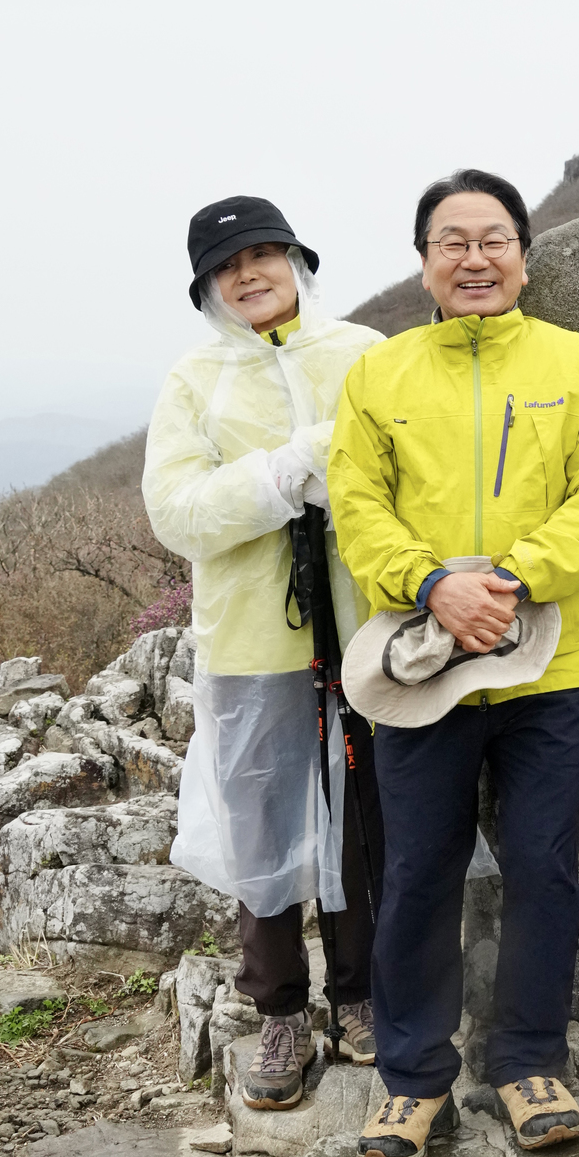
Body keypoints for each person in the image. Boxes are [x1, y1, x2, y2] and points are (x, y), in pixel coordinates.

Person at [329, 168, 579, 1157]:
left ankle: (529, 1060)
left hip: (550, 663)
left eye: (493, 238)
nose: (474, 257)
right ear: (423, 261)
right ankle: (413, 1076)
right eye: (451, 240)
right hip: (422, 667)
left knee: (544, 863)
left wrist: (504, 581)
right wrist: (431, 586)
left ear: (523, 254)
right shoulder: (380, 376)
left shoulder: (575, 361)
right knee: (417, 871)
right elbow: (356, 504)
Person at [143, 197, 386, 1108]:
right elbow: (178, 514)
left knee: (366, 817)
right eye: (227, 266)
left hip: (369, 627)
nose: (249, 274)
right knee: (263, 826)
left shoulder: (363, 353)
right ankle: (280, 1012)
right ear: (209, 287)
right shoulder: (194, 380)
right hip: (251, 639)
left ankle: (359, 996)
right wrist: (285, 472)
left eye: (263, 254)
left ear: (295, 260)